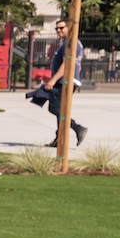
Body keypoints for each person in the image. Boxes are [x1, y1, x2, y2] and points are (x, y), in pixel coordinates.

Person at [40, 19, 87, 148]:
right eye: (57, 29)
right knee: (60, 109)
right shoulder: (71, 43)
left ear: (69, 28)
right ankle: (59, 140)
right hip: (65, 81)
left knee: (55, 108)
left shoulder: (70, 43)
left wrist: (53, 80)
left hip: (65, 81)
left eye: (62, 28)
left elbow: (66, 64)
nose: (59, 31)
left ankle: (78, 128)